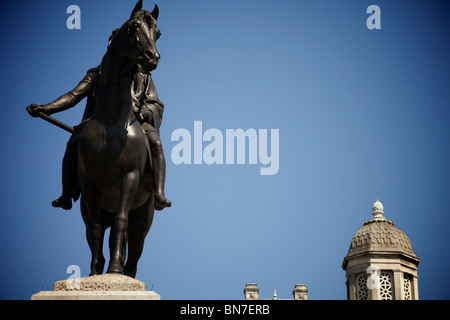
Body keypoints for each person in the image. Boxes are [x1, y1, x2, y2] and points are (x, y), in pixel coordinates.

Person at [26, 32, 171, 211]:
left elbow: (155, 103)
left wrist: (144, 114)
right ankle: (66, 194)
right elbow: (73, 96)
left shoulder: (144, 76)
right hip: (97, 123)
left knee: (156, 143)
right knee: (73, 143)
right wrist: (47, 108)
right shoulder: (96, 74)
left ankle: (158, 193)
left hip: (137, 124)